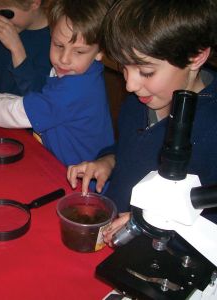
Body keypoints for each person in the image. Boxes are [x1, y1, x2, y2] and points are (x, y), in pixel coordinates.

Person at [66, 0, 217, 245]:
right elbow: (127, 148)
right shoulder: (142, 100)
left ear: (196, 57)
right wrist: (108, 160)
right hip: (114, 237)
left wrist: (150, 225)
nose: (130, 85)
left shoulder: (211, 128)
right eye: (123, 67)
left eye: (146, 71)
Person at [0, 0, 114, 171]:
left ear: (100, 52)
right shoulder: (77, 73)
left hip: (81, 182)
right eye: (58, 45)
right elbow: (40, 101)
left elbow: (20, 112)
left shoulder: (78, 88)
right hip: (59, 165)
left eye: (79, 51)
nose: (64, 59)